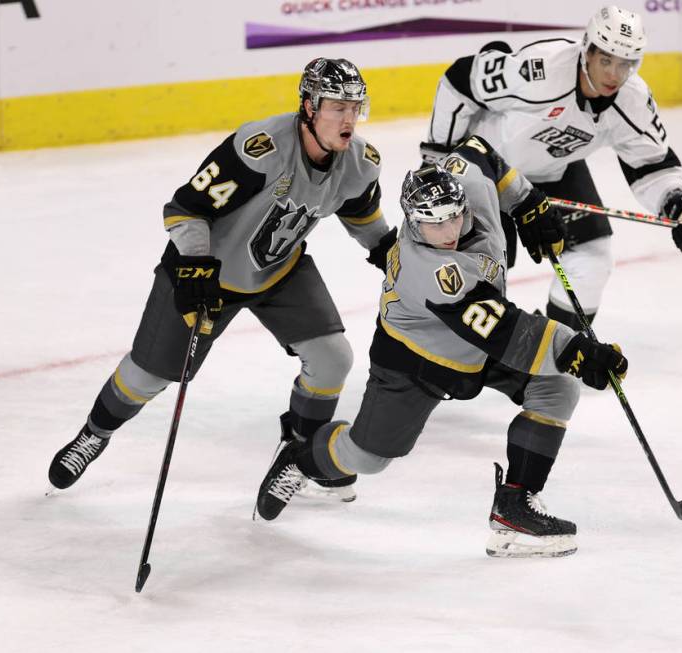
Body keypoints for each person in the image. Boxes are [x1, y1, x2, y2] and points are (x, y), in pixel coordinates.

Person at [253, 136, 629, 558]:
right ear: (412, 223)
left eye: (453, 217)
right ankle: (302, 459)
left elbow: (476, 151)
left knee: (556, 388)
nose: (448, 231)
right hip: (415, 361)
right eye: (433, 223)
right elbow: (503, 331)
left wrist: (527, 203)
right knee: (369, 457)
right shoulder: (431, 270)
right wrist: (577, 349)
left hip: (477, 345)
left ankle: (514, 506)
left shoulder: (467, 184)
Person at [47, 58, 398, 502]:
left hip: (279, 271)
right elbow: (185, 208)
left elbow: (362, 216)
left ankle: (299, 455)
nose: (348, 119)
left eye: (355, 108)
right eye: (336, 107)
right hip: (207, 273)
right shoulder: (262, 148)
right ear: (308, 106)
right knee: (148, 376)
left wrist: (390, 253)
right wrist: (195, 268)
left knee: (332, 358)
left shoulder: (360, 163)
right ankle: (95, 433)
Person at [420, 6, 682, 330]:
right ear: (586, 50)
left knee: (592, 257)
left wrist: (679, 204)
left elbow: (652, 164)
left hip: (553, 172)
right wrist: (439, 160)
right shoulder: (542, 69)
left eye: (625, 64)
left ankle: (556, 349)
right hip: (489, 172)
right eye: (606, 60)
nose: (614, 75)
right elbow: (461, 79)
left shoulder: (631, 99)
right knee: (486, 270)